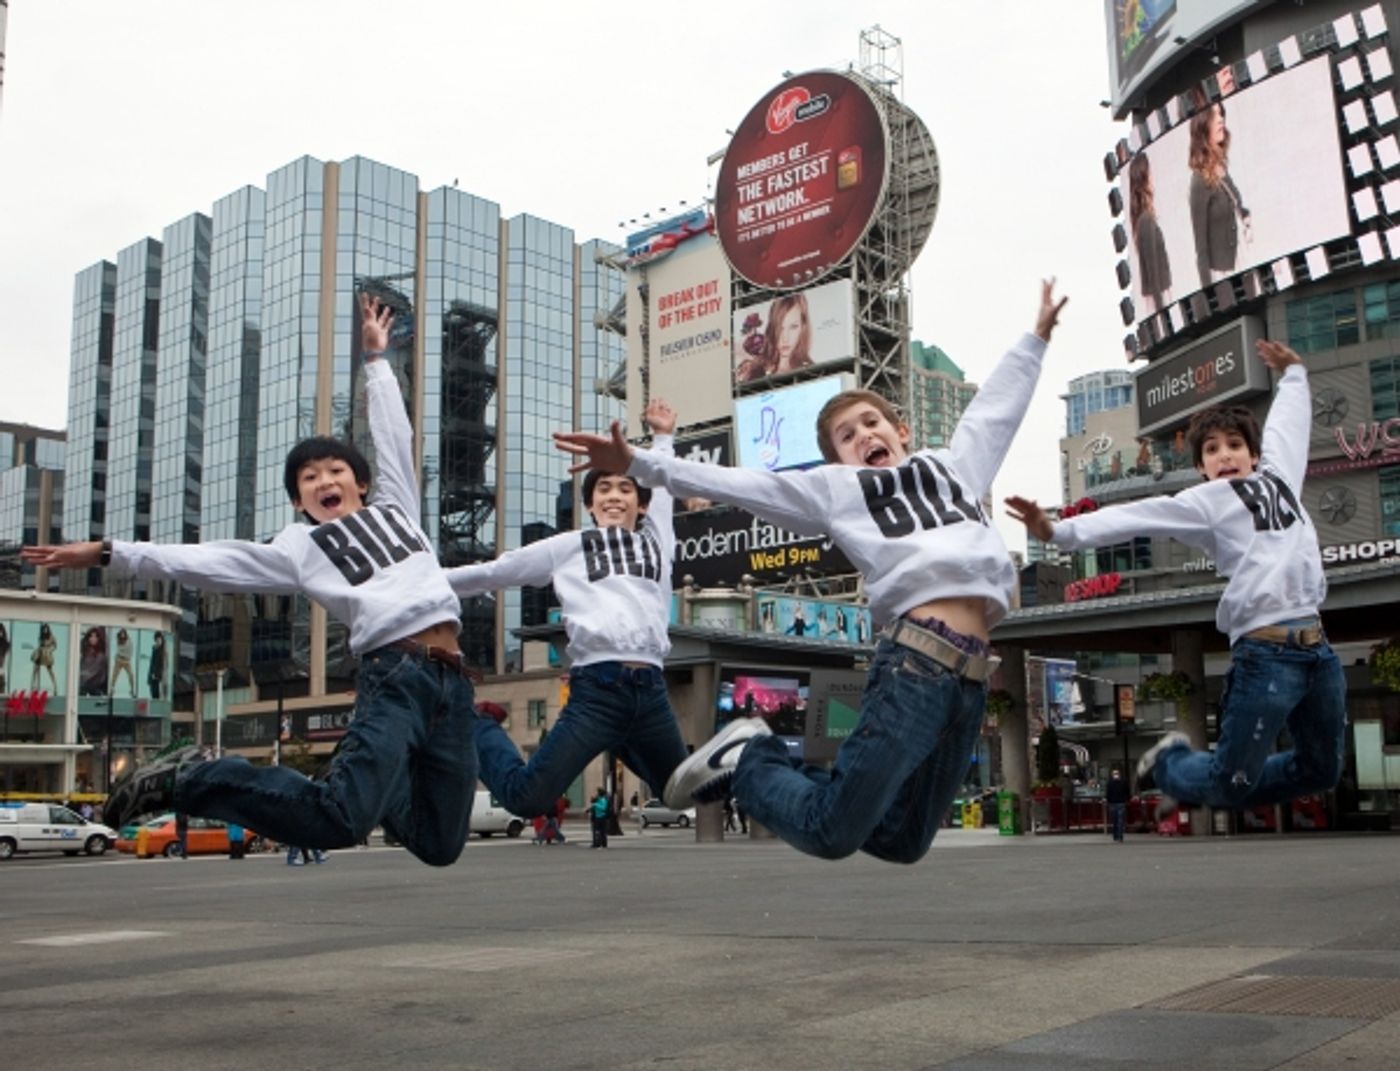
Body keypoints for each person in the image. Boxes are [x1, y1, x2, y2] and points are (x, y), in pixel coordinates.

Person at [556, 280, 1066, 865]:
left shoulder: (953, 468)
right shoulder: (837, 490)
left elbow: (994, 412)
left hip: (971, 683)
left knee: (901, 841)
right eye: (848, 437)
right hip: (916, 664)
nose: (864, 436)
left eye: (872, 423)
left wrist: (1036, 338)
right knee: (830, 833)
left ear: (900, 431)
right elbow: (739, 484)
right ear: (837, 459)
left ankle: (780, 770)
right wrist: (638, 462)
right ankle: (749, 758)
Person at [23, 293, 479, 867]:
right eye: (309, 478)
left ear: (360, 483)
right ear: (298, 501)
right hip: (397, 673)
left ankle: (372, 778)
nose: (324, 481)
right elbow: (207, 560)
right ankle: (191, 779)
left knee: (440, 845)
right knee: (340, 818)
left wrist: (376, 360)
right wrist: (112, 553)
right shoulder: (299, 548)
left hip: (454, 681)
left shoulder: (398, 508)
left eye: (335, 470)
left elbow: (393, 436)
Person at [1006, 338, 1345, 820]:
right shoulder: (1205, 502)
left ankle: (1212, 779)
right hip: (1266, 654)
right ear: (1201, 467)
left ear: (1254, 455)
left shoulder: (1280, 478)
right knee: (1230, 783)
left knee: (1322, 770)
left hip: (1318, 651)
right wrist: (1059, 532)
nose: (1225, 456)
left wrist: (1294, 374)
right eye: (1212, 450)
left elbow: (1288, 428)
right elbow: (1138, 515)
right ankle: (1171, 763)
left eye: (1234, 446)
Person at [442, 398, 687, 827]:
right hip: (597, 690)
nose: (615, 497)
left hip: (650, 690)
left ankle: (623, 739)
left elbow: (662, 482)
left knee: (678, 792)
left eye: (625, 489)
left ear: (642, 504)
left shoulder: (657, 541)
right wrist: (425, 583)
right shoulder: (568, 547)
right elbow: (497, 571)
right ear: (590, 504)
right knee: (527, 798)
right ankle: (475, 722)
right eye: (603, 490)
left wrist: (663, 437)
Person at [1188, 98, 1251, 289]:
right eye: (1214, 116)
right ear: (1202, 127)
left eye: (1221, 114)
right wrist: (1209, 293)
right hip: (1224, 277)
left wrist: (1246, 217)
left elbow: (1236, 207)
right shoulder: (1199, 182)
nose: (1221, 119)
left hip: (1244, 264)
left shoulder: (1222, 169)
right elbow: (1201, 248)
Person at [1127, 154, 1172, 314]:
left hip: (1160, 296)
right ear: (1145, 178)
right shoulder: (1146, 220)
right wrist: (1162, 311)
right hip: (1160, 299)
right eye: (1150, 172)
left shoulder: (1144, 219)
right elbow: (1153, 273)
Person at [736, 293, 813, 382]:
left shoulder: (812, 371)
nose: (785, 338)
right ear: (772, 328)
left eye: (793, 327)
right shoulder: (752, 370)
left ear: (803, 327)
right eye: (780, 328)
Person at [78, 626, 108, 697]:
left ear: (98, 638)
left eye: (95, 636)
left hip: (94, 687)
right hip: (81, 686)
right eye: (91, 636)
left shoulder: (100, 655)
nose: (93, 638)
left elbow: (96, 672)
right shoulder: (84, 652)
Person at [30, 623, 58, 693]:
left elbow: (55, 646)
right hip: (40, 653)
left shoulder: (51, 636)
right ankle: (32, 686)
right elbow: (39, 644)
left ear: (48, 629)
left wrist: (50, 650)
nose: (45, 630)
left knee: (50, 671)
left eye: (46, 629)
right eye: (44, 629)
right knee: (35, 670)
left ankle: (55, 687)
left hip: (47, 654)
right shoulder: (41, 636)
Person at [109, 627, 136, 697]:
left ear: (125, 634)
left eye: (123, 634)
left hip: (127, 661)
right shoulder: (118, 640)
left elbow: (130, 651)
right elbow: (118, 650)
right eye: (121, 634)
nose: (122, 635)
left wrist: (123, 654)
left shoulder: (129, 641)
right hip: (118, 660)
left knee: (131, 675)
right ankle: (112, 689)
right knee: (114, 675)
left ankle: (132, 690)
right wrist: (120, 655)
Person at [1105, 768, 1129, 843]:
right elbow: (1127, 792)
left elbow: (1108, 793)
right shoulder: (1124, 782)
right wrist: (1127, 800)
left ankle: (1115, 836)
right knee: (1120, 820)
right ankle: (1120, 836)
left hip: (1113, 803)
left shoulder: (1110, 783)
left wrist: (1108, 801)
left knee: (1114, 820)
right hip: (1121, 803)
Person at [147, 632, 167, 700]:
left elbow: (163, 665)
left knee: (158, 695)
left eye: (159, 640)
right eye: (157, 640)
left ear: (162, 640)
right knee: (153, 694)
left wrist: (157, 675)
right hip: (153, 676)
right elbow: (152, 663)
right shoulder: (154, 649)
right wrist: (150, 676)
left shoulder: (163, 651)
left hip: (159, 676)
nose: (158, 641)